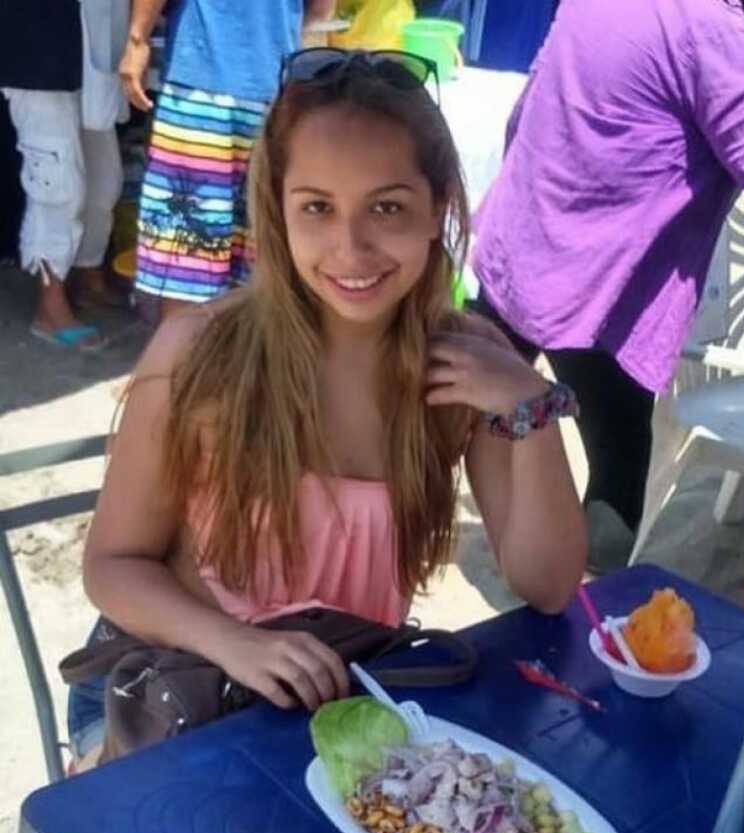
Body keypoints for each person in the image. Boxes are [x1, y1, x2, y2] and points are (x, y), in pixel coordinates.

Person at [69, 50, 586, 764]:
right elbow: (113, 566)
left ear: (437, 208)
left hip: (330, 694)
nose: (352, 248)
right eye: (318, 207)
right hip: (169, 682)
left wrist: (533, 407)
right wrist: (238, 644)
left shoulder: (466, 364)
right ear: (278, 212)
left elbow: (550, 585)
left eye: (388, 207)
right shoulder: (200, 355)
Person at [473, 0, 744, 572]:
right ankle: (582, 621)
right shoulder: (716, 39)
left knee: (442, 424)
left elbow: (525, 113)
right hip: (601, 291)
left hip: (519, 245)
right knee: (616, 477)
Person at [119, 0, 338, 319]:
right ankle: (241, 362)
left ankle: (182, 364)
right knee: (260, 253)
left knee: (187, 255)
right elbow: (321, 9)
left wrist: (137, 40)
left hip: (200, 88)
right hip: (271, 89)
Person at [0, 0, 126, 351]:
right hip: (35, 50)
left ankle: (87, 274)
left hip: (94, 36)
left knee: (105, 181)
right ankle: (50, 306)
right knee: (56, 182)